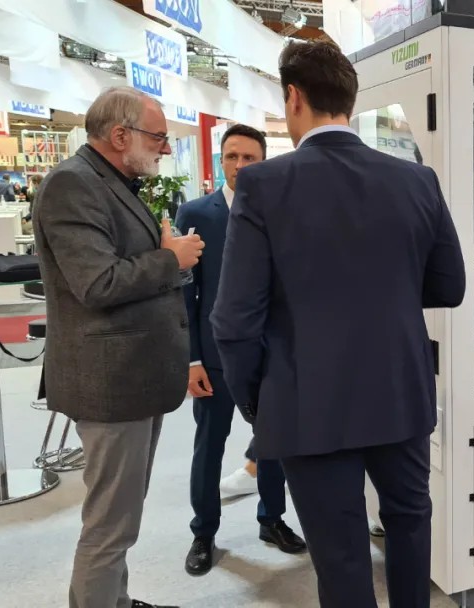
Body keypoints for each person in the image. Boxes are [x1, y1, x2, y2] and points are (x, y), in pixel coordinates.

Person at [211, 40, 465, 608]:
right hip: (400, 389)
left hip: (307, 398)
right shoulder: (416, 179)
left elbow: (234, 320)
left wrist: (258, 399)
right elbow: (450, 287)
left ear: (293, 98)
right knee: (409, 525)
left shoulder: (263, 185)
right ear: (350, 100)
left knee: (341, 551)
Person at [32, 86, 204, 608]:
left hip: (133, 375)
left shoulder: (109, 182)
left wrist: (165, 255)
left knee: (121, 516)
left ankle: (116, 601)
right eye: (158, 137)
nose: (165, 148)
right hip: (111, 382)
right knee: (109, 525)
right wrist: (171, 259)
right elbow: (97, 283)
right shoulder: (72, 184)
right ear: (120, 134)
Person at [176, 123, 306, 577]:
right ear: (221, 161)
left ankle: (272, 520)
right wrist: (192, 359)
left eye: (249, 157)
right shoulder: (196, 213)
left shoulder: (282, 211)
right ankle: (204, 532)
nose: (240, 165)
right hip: (213, 356)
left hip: (269, 355)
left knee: (272, 443)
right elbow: (185, 294)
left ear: (263, 162)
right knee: (209, 445)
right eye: (232, 156)